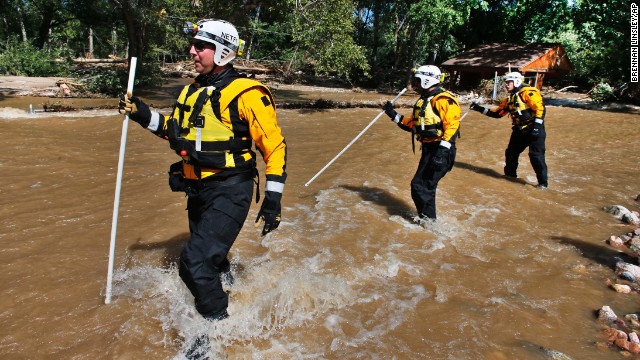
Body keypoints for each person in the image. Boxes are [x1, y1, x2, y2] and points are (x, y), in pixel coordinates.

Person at [118, 18, 287, 324]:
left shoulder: (248, 94)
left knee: (193, 264)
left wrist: (273, 199)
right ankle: (230, 290)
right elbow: (173, 131)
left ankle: (215, 331)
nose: (192, 51)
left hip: (231, 189)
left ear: (222, 52)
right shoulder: (192, 92)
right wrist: (141, 114)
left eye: (201, 47)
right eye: (194, 45)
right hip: (198, 190)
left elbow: (274, 147)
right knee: (211, 260)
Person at [383, 65, 461, 220]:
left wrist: (441, 152)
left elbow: (452, 126)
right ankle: (429, 221)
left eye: (417, 81)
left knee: (420, 187)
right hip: (429, 149)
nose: (415, 84)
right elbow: (412, 125)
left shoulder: (444, 100)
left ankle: (429, 224)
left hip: (441, 149)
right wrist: (392, 114)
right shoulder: (424, 100)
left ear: (426, 80)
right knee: (423, 187)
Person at [469, 71, 548, 188]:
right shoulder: (509, 99)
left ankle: (543, 184)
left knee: (535, 156)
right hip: (520, 130)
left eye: (508, 82)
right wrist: (478, 108)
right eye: (505, 83)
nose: (506, 85)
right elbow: (497, 114)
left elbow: (540, 109)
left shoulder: (528, 93)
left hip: (534, 129)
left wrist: (536, 128)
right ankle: (510, 178)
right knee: (511, 153)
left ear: (516, 82)